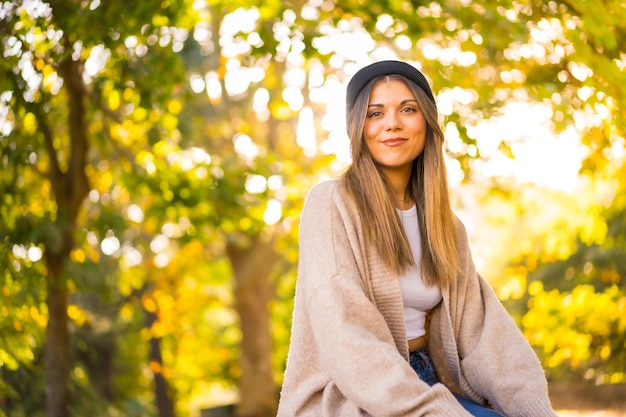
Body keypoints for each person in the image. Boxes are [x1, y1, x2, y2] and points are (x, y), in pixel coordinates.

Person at [276, 60, 557, 417]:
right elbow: (345, 333)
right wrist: (433, 410)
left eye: (407, 109)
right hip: (355, 397)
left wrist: (534, 410)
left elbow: (488, 339)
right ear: (358, 128)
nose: (392, 123)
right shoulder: (331, 203)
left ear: (426, 121)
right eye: (375, 113)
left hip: (433, 383)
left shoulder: (447, 228)